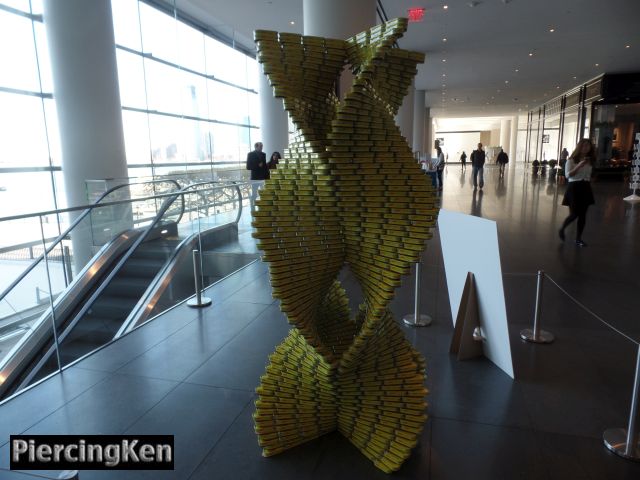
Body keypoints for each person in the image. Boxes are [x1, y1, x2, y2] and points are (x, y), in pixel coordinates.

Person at [558, 139, 596, 247]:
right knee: (574, 214)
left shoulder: (590, 160)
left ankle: (578, 239)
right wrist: (579, 165)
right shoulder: (571, 160)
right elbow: (567, 175)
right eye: (584, 146)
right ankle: (562, 229)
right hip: (574, 187)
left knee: (583, 215)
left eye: (588, 146)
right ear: (579, 147)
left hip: (585, 187)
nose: (586, 148)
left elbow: (589, 175)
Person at [246, 142, 268, 210]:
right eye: (260, 146)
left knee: (263, 194)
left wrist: (266, 176)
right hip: (255, 178)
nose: (262, 148)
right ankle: (253, 208)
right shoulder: (250, 154)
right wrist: (257, 166)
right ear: (256, 147)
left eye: (262, 146)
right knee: (254, 194)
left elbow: (264, 166)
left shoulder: (263, 154)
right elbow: (248, 167)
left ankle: (263, 208)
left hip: (262, 178)